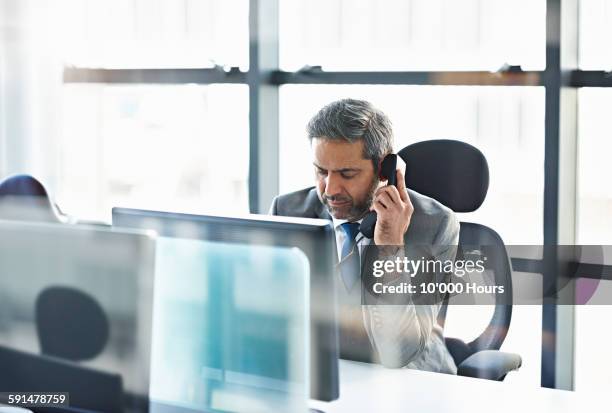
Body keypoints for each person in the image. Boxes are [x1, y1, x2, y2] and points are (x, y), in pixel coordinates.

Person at [269, 98, 458, 373]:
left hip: (409, 378)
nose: (330, 189)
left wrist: (390, 247)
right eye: (321, 171)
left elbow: (399, 351)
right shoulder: (287, 211)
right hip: (326, 371)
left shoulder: (435, 224)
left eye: (347, 173)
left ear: (384, 170)